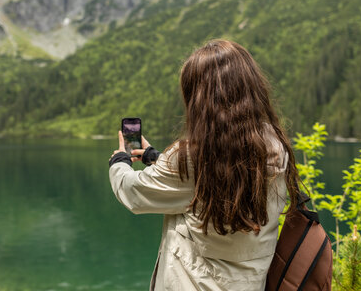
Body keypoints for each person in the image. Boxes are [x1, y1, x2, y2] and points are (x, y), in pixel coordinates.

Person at [108, 40, 301, 290]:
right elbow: (221, 173)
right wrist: (155, 157)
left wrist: (119, 162)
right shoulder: (275, 145)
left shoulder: (190, 158)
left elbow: (135, 192)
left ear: (199, 99)